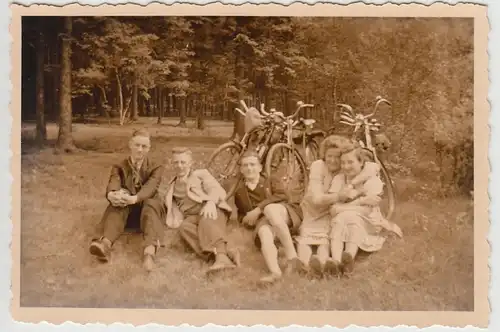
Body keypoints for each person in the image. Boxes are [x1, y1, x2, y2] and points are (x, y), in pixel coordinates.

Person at [142, 147, 240, 275]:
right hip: (192, 217)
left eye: (183, 162)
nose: (180, 166)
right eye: (176, 162)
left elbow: (218, 190)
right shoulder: (172, 185)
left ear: (190, 163)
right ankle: (223, 254)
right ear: (172, 164)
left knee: (206, 219)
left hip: (212, 209)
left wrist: (211, 202)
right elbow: (169, 205)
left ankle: (221, 257)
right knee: (184, 228)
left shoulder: (200, 175)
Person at [296, 135, 381, 277]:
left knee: (325, 239)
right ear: (324, 155)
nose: (332, 160)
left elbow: (373, 167)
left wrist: (355, 187)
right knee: (306, 236)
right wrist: (339, 196)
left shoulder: (344, 167)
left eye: (337, 157)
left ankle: (324, 267)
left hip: (332, 212)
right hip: (314, 210)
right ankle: (304, 266)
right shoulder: (319, 166)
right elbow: (316, 199)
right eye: (329, 156)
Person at [89, 129, 165, 271]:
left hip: (147, 210)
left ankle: (149, 253)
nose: (140, 150)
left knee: (151, 204)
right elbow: (114, 181)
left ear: (149, 148)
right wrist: (112, 195)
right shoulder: (119, 165)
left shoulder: (156, 166)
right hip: (128, 213)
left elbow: (151, 187)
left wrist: (134, 198)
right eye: (137, 145)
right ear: (130, 144)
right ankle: (105, 245)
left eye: (144, 147)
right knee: (117, 205)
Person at [328, 142, 403, 275]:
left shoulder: (372, 180)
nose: (346, 166)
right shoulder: (339, 179)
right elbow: (333, 210)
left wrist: (343, 207)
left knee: (349, 217)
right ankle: (336, 262)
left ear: (361, 162)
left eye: (350, 162)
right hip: (343, 219)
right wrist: (360, 201)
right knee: (341, 219)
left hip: (369, 221)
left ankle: (348, 259)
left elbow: (366, 210)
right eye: (343, 163)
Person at [233, 151, 304, 284]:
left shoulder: (271, 180)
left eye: (253, 165)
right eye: (245, 165)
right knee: (264, 233)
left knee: (269, 209)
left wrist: (258, 209)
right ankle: (275, 272)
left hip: (283, 213)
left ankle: (292, 258)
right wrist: (245, 220)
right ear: (241, 170)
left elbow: (283, 196)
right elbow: (241, 214)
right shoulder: (240, 192)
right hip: (264, 221)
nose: (249, 168)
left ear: (260, 167)